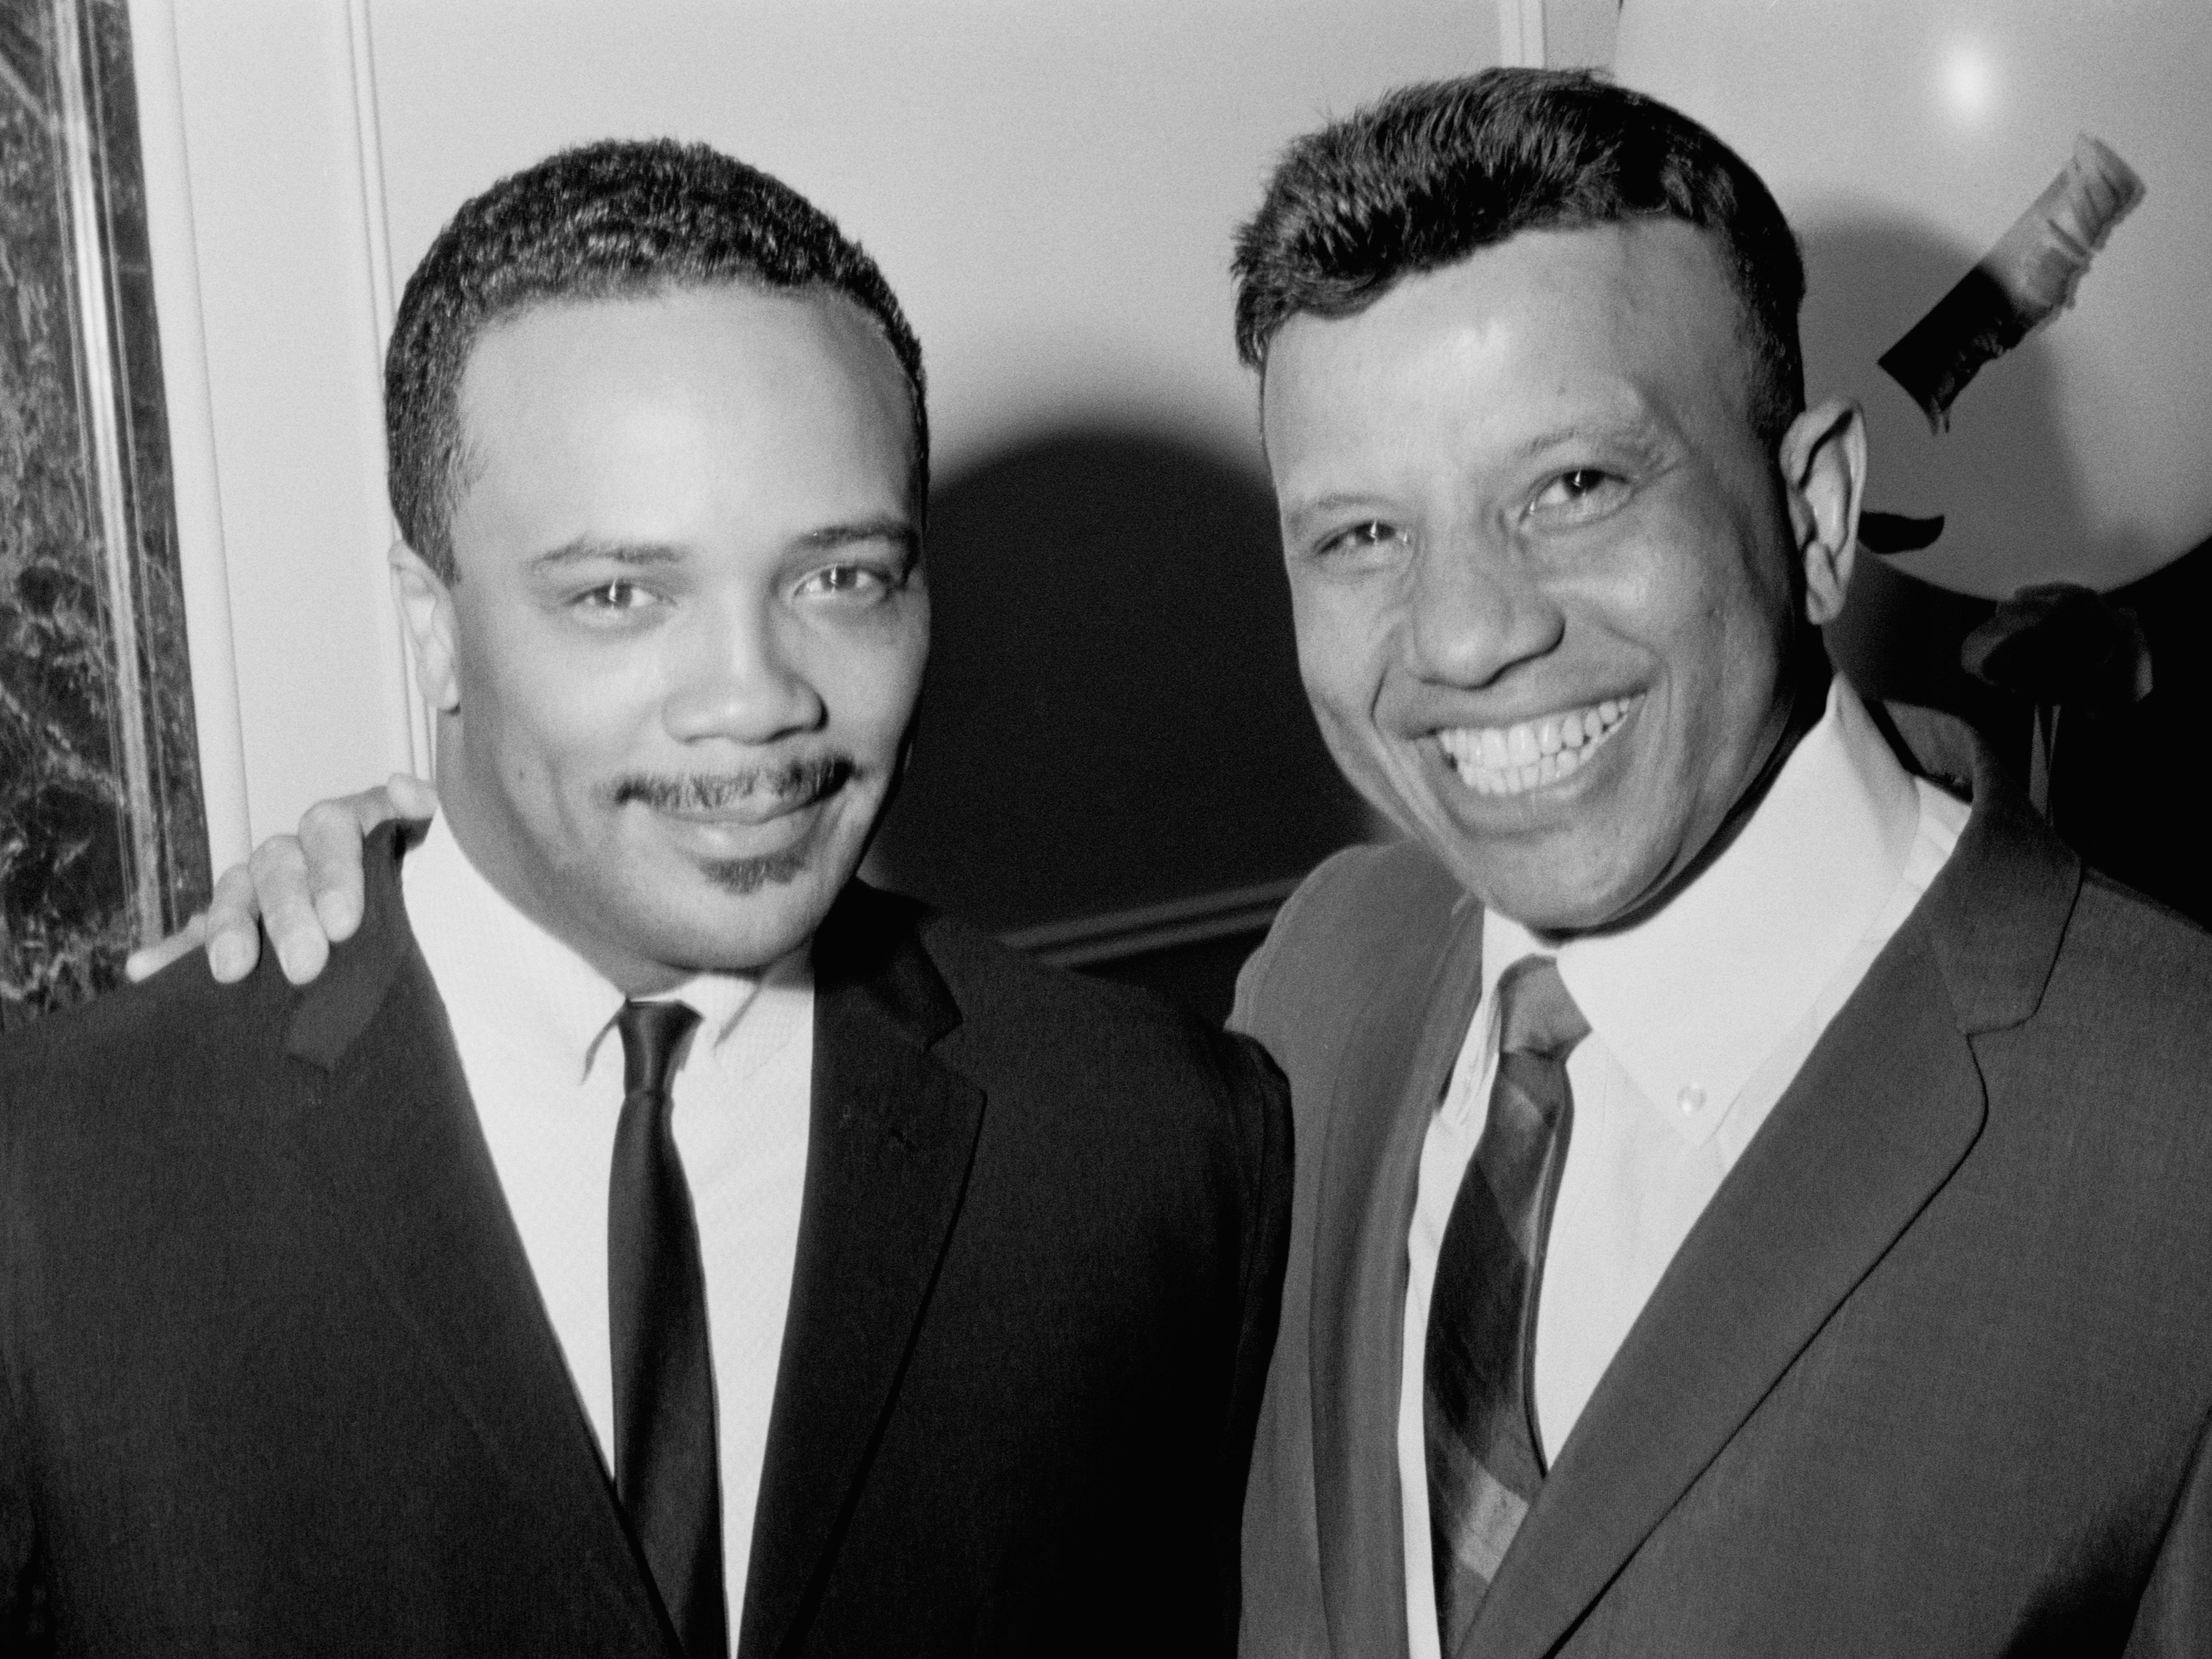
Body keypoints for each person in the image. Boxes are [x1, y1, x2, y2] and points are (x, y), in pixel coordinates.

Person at [157, 70, 2212, 1658]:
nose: (1467, 631)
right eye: (1356, 535)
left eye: (1573, 484)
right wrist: (454, 892)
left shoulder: (2167, 1140)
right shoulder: (1318, 991)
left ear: (1819, 514)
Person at [0, 138, 1290, 1657]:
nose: (752, 700)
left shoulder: (1156, 1143)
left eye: (842, 579)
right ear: (432, 625)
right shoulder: (54, 1187)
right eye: (621, 594)